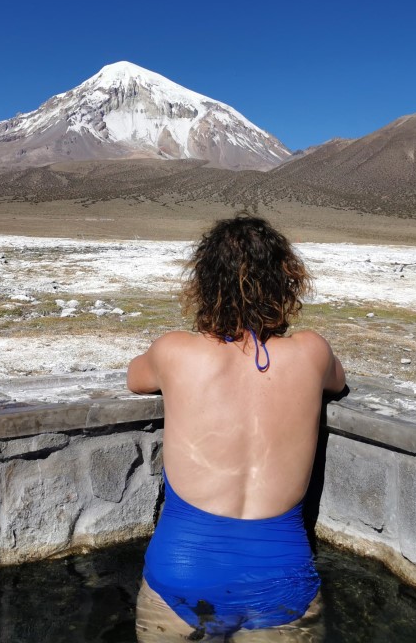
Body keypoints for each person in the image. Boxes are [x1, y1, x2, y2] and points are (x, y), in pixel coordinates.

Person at [127, 213, 346, 641]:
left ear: (205, 283)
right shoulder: (312, 352)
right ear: (285, 283)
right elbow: (338, 382)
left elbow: (135, 378)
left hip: (182, 573)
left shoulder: (174, 351)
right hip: (282, 582)